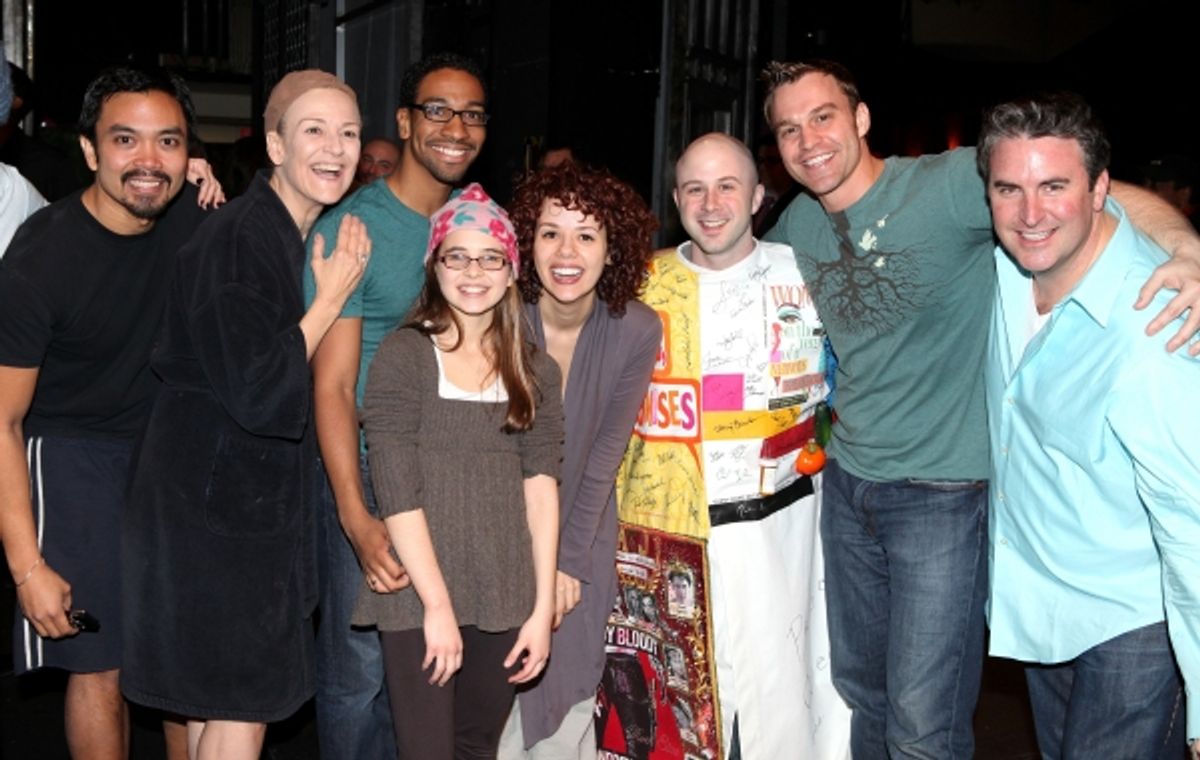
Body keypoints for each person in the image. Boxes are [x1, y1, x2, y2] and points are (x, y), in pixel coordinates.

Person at [761, 58, 1200, 758]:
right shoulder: (797, 228)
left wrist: (1186, 247)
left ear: (861, 119)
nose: (809, 140)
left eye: (823, 117)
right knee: (861, 697)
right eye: (789, 129)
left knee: (920, 723)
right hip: (848, 488)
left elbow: (1090, 197)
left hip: (942, 497)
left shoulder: (945, 188)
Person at [120, 69, 368, 760]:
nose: (335, 147)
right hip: (215, 518)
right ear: (276, 145)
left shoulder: (278, 231)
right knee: (236, 713)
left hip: (214, 504)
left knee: (213, 712)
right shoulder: (240, 239)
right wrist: (331, 296)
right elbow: (261, 391)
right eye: (313, 129)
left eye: (348, 132)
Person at [0, 65, 219, 760]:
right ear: (91, 151)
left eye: (168, 142)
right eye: (126, 140)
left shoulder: (195, 216)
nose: (148, 160)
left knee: (184, 663)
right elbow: (2, 419)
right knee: (101, 668)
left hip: (170, 452)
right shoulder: (41, 258)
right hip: (72, 455)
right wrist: (27, 565)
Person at [612, 132, 851, 759]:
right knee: (676, 718)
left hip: (788, 531)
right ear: (675, 198)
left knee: (784, 709)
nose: (711, 202)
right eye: (695, 187)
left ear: (757, 198)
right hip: (674, 544)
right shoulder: (638, 286)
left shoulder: (807, 275)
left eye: (727, 186)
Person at [977, 92, 1199, 759]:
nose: (1031, 214)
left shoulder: (1155, 324)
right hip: (1043, 610)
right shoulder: (1003, 267)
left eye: (1054, 187)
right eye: (1009, 189)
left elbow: (1193, 520)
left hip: (1131, 624)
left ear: (1100, 190)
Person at [305, 51, 489, 760]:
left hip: (458, 481)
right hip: (373, 480)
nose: (457, 127)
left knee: (433, 668)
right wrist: (355, 517)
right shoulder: (352, 230)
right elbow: (331, 386)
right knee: (358, 675)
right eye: (438, 110)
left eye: (473, 114)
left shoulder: (480, 224)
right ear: (406, 122)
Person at [351, 184, 562, 759]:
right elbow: (397, 493)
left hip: (505, 588)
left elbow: (542, 491)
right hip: (420, 594)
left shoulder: (535, 369)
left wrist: (541, 610)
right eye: (457, 256)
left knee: (475, 749)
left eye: (490, 257)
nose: (474, 271)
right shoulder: (404, 355)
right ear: (434, 265)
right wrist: (434, 608)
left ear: (512, 270)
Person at [497, 160, 660, 760]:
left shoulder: (636, 329)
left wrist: (566, 564)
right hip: (495, 534)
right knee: (488, 712)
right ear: (526, 243)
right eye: (549, 232)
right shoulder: (498, 313)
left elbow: (603, 461)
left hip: (581, 536)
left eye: (586, 235)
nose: (567, 251)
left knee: (565, 702)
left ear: (612, 250)